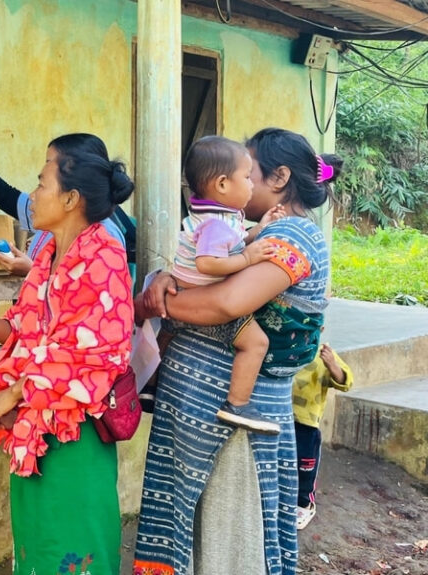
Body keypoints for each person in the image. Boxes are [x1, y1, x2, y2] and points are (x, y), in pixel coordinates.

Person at [132, 129, 343, 575]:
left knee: (229, 540)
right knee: (199, 531)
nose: (239, 181)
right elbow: (205, 275)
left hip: (233, 423)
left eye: (250, 172)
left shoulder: (292, 237)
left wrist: (159, 301)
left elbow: (227, 303)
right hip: (201, 408)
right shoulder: (240, 230)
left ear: (280, 177)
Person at [0, 133, 134, 575]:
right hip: (35, 430)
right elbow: (29, 335)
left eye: (42, 182)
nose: (35, 193)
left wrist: (16, 393)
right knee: (37, 546)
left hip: (73, 436)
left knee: (72, 546)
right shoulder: (49, 258)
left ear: (70, 199)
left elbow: (96, 358)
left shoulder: (103, 257)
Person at [155, 135, 286, 434]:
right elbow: (209, 263)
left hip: (185, 292)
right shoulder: (215, 224)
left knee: (168, 330)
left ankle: (150, 385)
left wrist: (260, 228)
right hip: (203, 296)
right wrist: (249, 259)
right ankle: (237, 405)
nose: (252, 184)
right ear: (223, 184)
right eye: (247, 176)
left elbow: (235, 243)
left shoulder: (216, 215)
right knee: (256, 343)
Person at [0, 140, 136, 279]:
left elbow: (81, 304)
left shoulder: (105, 240)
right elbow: (5, 195)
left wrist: (33, 272)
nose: (33, 195)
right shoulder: (52, 218)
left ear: (72, 196)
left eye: (50, 165)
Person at [292, 339, 352, 530]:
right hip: (280, 417)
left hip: (307, 422)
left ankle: (304, 503)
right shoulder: (282, 345)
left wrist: (332, 365)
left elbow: (345, 382)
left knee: (305, 466)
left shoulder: (322, 352)